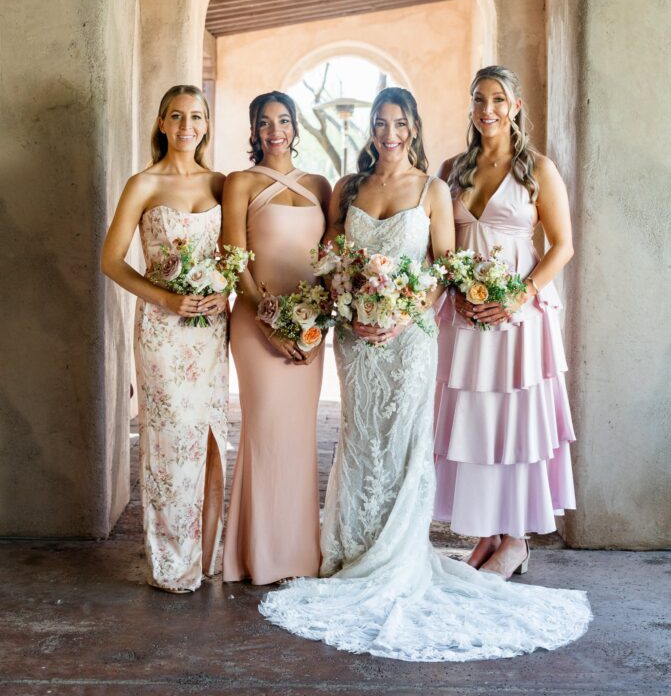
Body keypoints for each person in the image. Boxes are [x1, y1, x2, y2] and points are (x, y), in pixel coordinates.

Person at [259, 86, 591, 662]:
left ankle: (411, 554)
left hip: (409, 338)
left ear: (412, 128)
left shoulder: (436, 188)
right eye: (380, 124)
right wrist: (345, 307)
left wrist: (400, 315)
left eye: (400, 124)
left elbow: (440, 266)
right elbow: (332, 259)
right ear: (371, 130)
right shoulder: (348, 188)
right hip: (356, 339)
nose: (390, 134)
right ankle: (353, 550)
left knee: (407, 445)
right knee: (360, 443)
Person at [433, 65, 578, 578]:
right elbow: (440, 245)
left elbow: (562, 246)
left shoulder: (537, 169)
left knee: (514, 419)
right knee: (472, 419)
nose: (487, 109)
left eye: (497, 99)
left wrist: (519, 295)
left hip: (519, 318)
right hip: (466, 316)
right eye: (478, 99)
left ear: (515, 106)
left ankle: (516, 538)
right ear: (470, 106)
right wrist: (453, 287)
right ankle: (485, 536)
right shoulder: (452, 169)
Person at [101, 84, 228, 593]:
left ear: (206, 124)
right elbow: (110, 261)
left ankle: (207, 556)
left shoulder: (222, 183)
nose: (186, 126)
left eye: (196, 117)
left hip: (209, 331)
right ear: (160, 122)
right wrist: (164, 298)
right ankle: (172, 562)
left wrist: (226, 295)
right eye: (176, 116)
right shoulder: (143, 184)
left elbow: (235, 257)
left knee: (212, 440)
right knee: (172, 443)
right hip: (161, 329)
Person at [221, 91, 331, 585]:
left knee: (298, 437)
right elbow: (234, 259)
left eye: (283, 120)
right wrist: (267, 321)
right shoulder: (239, 182)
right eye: (264, 122)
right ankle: (258, 556)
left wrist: (318, 322)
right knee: (265, 432)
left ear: (295, 127)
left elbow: (331, 263)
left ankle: (298, 556)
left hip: (309, 327)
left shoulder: (321, 184)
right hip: (254, 322)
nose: (274, 130)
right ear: (252, 130)